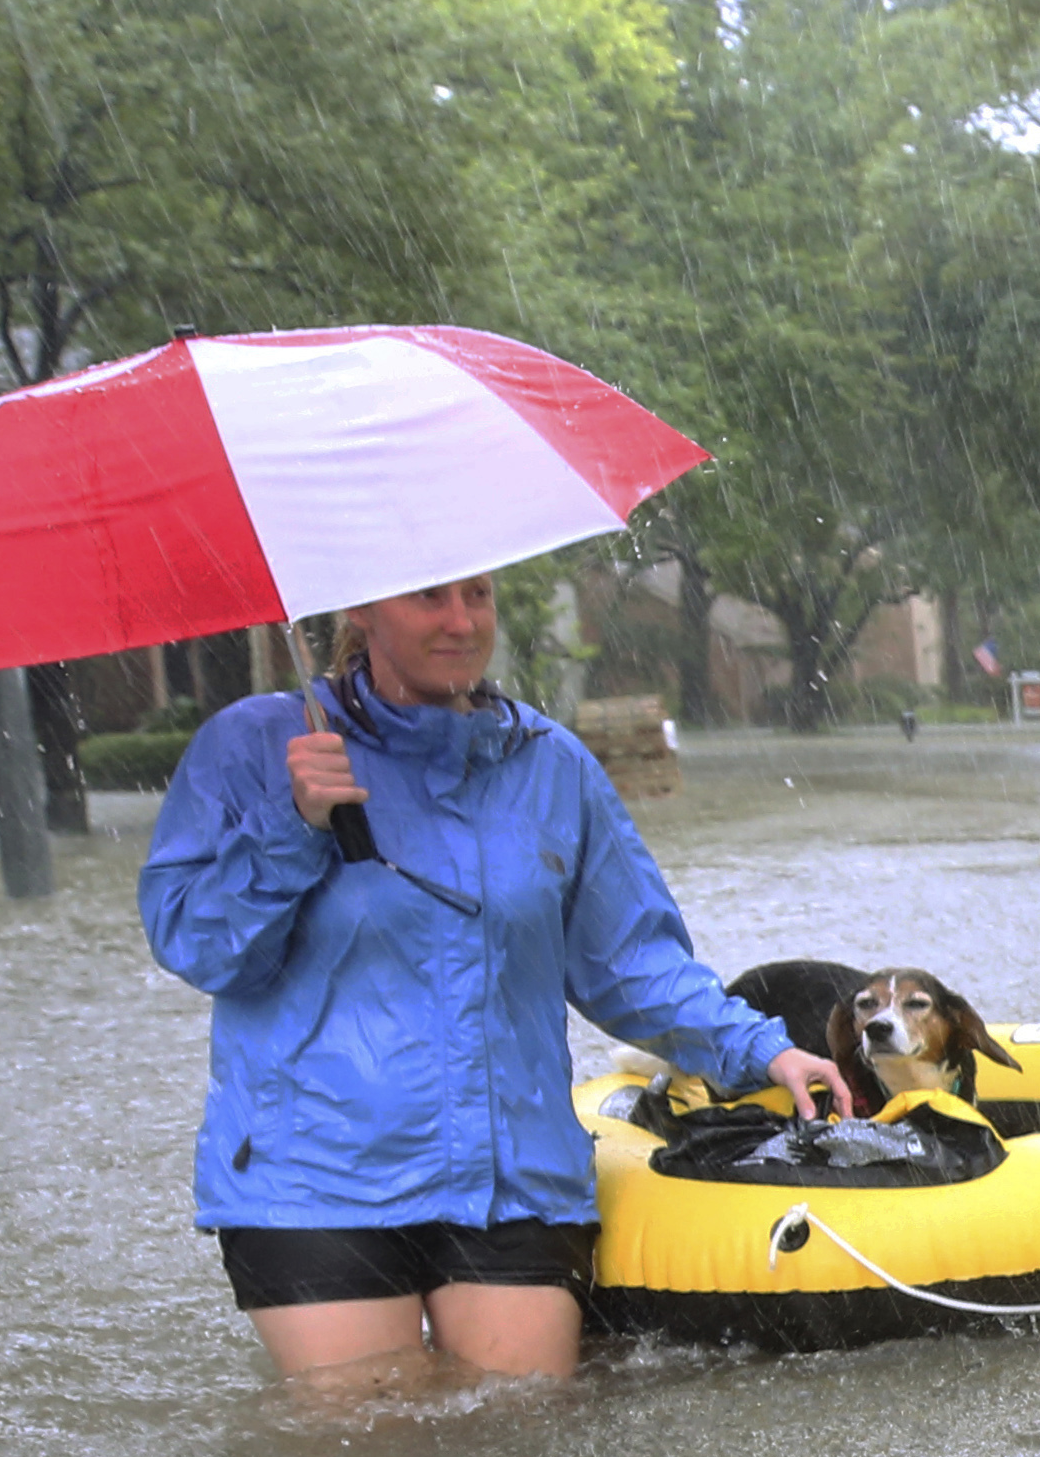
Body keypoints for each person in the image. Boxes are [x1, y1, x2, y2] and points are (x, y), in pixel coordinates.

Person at [141, 577, 852, 1393]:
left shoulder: (549, 765)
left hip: (513, 1172)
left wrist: (764, 1049)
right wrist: (291, 829)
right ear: (360, 610)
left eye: (476, 597)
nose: (461, 621)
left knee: (518, 1436)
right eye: (428, 599)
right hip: (315, 1175)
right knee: (369, 1447)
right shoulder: (256, 746)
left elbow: (629, 962)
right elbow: (198, 946)